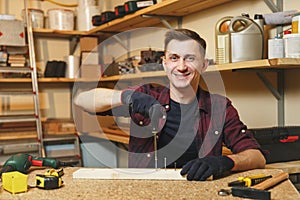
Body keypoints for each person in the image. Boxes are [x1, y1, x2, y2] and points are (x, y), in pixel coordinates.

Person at [74, 28, 266, 181]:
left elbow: (257, 157)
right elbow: (82, 100)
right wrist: (126, 97)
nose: (181, 67)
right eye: (174, 58)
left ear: (204, 65)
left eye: (190, 58)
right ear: (165, 63)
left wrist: (224, 162)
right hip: (148, 191)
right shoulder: (146, 95)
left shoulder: (219, 107)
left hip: (200, 190)